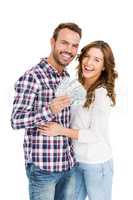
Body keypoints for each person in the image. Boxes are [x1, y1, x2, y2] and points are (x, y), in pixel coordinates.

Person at [38, 40, 118, 200]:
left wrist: (60, 131)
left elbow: (94, 135)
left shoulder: (101, 94)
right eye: (87, 56)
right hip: (75, 162)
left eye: (97, 59)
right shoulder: (76, 86)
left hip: (96, 164)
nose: (88, 62)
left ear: (104, 66)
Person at [11, 22, 82, 200]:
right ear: (53, 42)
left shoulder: (66, 77)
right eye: (64, 43)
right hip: (44, 169)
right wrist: (49, 109)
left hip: (69, 166)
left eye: (74, 46)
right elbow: (16, 120)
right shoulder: (32, 77)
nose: (69, 50)